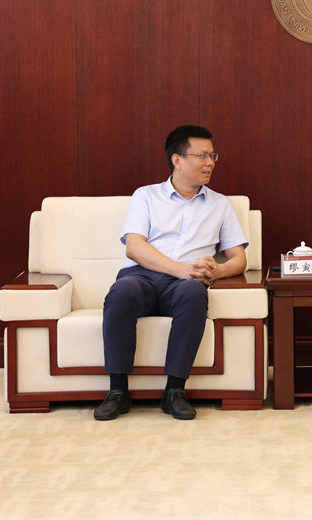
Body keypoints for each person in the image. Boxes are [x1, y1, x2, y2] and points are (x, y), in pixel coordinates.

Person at [93, 125, 248, 421]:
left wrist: (218, 271)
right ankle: (118, 392)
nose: (210, 163)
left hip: (185, 286)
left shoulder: (221, 204)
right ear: (177, 160)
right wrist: (179, 269)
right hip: (142, 277)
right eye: (202, 156)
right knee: (121, 292)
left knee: (194, 292)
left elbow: (239, 259)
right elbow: (134, 247)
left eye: (212, 156)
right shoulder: (146, 196)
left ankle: (174, 391)